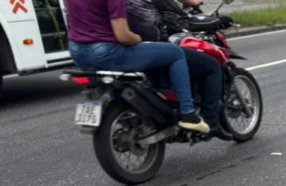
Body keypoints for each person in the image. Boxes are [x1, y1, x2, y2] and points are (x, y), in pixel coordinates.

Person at [65, 0, 210, 133]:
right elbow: (123, 36)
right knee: (176, 53)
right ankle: (188, 114)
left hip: (77, 52)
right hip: (105, 52)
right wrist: (137, 38)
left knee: (115, 74)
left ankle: (125, 109)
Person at [126, 0, 232, 140]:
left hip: (116, 50)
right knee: (211, 66)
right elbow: (185, 22)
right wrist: (217, 21)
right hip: (151, 48)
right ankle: (209, 122)